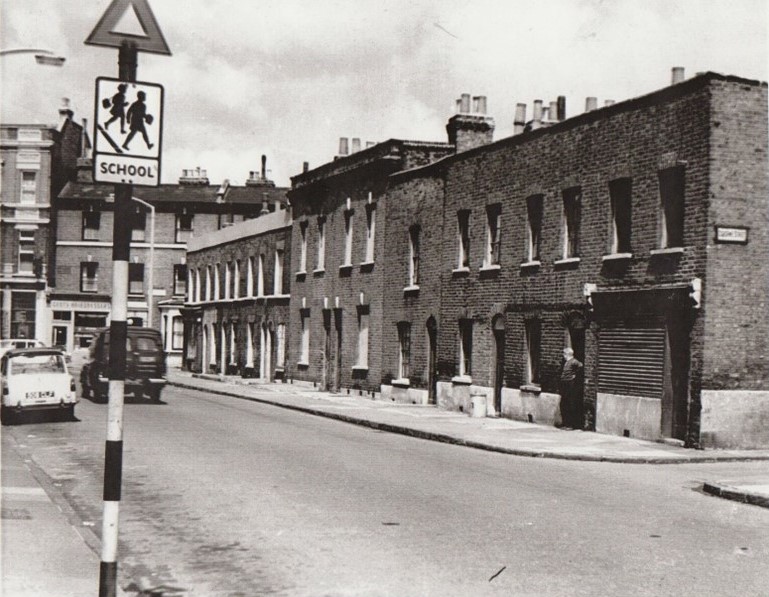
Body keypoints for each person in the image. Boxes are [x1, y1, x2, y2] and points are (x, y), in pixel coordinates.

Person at [559, 347, 584, 429]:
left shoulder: (573, 361)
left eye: (564, 354)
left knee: (569, 403)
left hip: (570, 384)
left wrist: (575, 375)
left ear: (567, 354)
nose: (563, 356)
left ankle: (570, 424)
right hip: (565, 384)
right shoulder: (566, 362)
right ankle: (565, 423)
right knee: (564, 403)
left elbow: (581, 366)